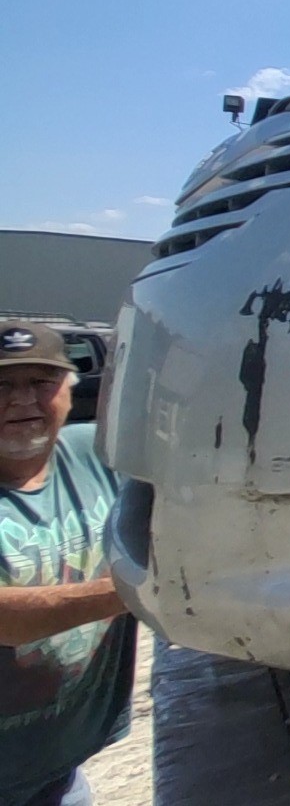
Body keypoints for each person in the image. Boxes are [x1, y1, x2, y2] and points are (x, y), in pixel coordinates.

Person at [0, 321, 136, 806]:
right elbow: (7, 618)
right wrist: (147, 588)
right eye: (2, 384)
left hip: (59, 773)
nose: (22, 400)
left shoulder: (97, 452)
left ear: (67, 391)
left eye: (41, 382)